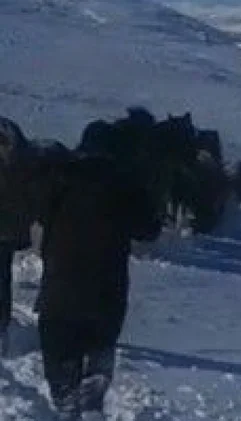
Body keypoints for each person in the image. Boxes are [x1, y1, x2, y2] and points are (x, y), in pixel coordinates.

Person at [37, 154, 162, 420]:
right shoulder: (126, 185)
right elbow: (150, 228)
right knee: (100, 347)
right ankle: (94, 396)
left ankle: (65, 400)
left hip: (60, 286)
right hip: (107, 290)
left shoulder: (60, 178)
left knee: (59, 355)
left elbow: (33, 210)